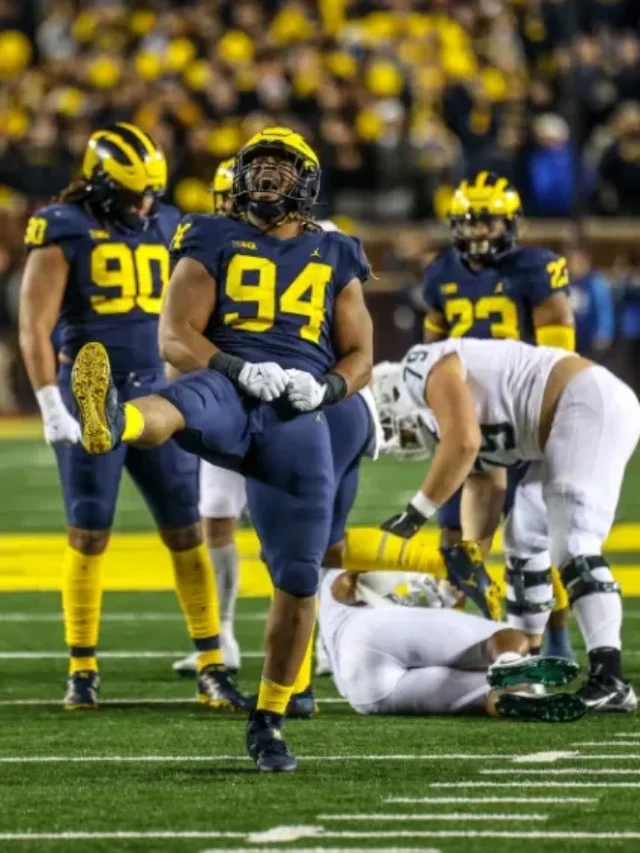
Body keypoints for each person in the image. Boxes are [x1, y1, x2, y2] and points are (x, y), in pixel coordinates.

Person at [68, 126, 374, 771]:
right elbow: (174, 336)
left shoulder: (338, 250)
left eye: (280, 169)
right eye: (256, 166)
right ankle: (111, 421)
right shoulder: (210, 234)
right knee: (181, 405)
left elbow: (361, 353)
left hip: (298, 410)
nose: (265, 178)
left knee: (297, 576)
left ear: (307, 183)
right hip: (229, 380)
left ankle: (270, 719)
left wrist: (326, 387)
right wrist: (237, 369)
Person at [19, 123, 247, 711]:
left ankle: (212, 663)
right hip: (87, 394)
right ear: (98, 183)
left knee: (183, 527)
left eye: (151, 192)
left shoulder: (170, 221)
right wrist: (49, 401)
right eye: (131, 193)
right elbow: (33, 325)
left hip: (154, 396)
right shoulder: (62, 227)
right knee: (89, 530)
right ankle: (82, 667)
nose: (144, 205)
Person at [382, 338, 639, 712]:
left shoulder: (418, 365)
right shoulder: (453, 418)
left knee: (574, 539)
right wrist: (470, 553)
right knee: (523, 537)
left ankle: (610, 677)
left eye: (391, 423)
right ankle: (528, 670)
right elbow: (485, 482)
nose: (399, 436)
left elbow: (465, 443)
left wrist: (417, 511)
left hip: (587, 403)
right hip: (563, 424)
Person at [422, 170, 575, 660]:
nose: (479, 230)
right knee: (454, 538)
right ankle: (474, 637)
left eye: (488, 220)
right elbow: (433, 346)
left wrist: (548, 415)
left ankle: (555, 640)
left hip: (520, 411)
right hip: (468, 415)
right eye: (469, 220)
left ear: (511, 222)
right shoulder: (442, 271)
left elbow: (558, 351)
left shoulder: (537, 267)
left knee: (529, 539)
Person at [319, 567, 586, 722]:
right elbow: (347, 584)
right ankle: (508, 662)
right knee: (507, 636)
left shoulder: (302, 581)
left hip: (364, 694)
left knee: (496, 692)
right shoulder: (331, 565)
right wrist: (406, 579)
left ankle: (518, 695)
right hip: (374, 630)